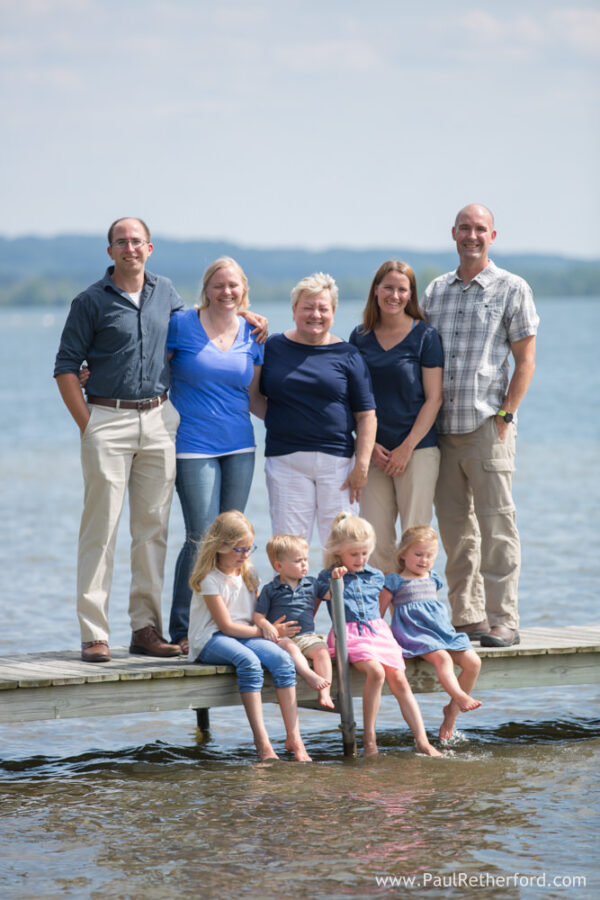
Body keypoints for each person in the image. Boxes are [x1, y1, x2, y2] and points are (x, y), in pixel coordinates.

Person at [54, 217, 184, 662]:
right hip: (107, 419)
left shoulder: (166, 293)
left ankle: (145, 629)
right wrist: (88, 424)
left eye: (136, 241)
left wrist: (245, 314)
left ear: (150, 248)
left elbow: (197, 332)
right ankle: (94, 633)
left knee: (153, 530)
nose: (129, 247)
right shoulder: (89, 300)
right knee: (101, 528)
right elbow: (66, 367)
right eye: (120, 242)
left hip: (159, 418)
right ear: (110, 252)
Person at [422, 204, 538, 649]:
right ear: (454, 233)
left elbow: (526, 360)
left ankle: (503, 619)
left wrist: (507, 414)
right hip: (442, 430)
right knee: (455, 531)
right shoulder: (435, 291)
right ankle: (467, 618)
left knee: (497, 526)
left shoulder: (512, 288)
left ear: (493, 235)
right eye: (465, 228)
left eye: (480, 229)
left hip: (489, 425)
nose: (472, 235)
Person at [167, 257, 265, 654]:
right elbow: (148, 366)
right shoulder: (181, 325)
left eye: (234, 286)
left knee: (233, 543)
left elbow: (256, 397)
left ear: (243, 290)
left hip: (240, 445)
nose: (226, 292)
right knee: (200, 537)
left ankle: (228, 622)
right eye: (218, 285)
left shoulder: (253, 333)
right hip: (192, 445)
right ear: (206, 289)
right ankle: (181, 628)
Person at [260, 273, 377, 544]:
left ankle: (335, 589)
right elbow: (255, 398)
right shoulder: (273, 347)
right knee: (289, 546)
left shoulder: (348, 354)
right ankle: (291, 589)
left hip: (338, 465)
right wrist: (286, 419)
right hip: (285, 462)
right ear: (293, 311)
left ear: (333, 312)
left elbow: (366, 415)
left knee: (341, 545)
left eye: (323, 308)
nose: (316, 314)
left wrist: (361, 465)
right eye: (308, 307)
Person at [314, 512, 442, 757]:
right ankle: (370, 739)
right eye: (354, 554)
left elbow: (391, 609)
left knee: (400, 681)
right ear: (339, 551)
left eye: (365, 553)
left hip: (378, 633)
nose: (360, 559)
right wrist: (335, 583)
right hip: (349, 633)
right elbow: (311, 610)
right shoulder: (327, 577)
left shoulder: (376, 576)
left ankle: (422, 740)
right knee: (376, 671)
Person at [188, 511, 311, 762]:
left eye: (248, 549)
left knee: (283, 661)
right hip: (211, 638)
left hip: (245, 633)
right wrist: (268, 631)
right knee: (250, 662)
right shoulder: (210, 580)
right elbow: (226, 626)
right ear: (220, 546)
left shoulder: (248, 572)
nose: (245, 555)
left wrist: (269, 628)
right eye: (239, 550)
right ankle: (263, 743)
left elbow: (256, 613)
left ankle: (294, 738)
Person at [349, 261, 443, 573]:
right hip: (373, 452)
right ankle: (379, 620)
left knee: (415, 540)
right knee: (374, 541)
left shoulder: (425, 336)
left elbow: (434, 399)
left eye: (402, 289)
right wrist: (369, 446)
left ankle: (415, 613)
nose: (394, 295)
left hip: (417, 451)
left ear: (411, 295)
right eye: (388, 287)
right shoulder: (359, 337)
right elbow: (351, 399)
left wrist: (407, 448)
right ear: (376, 290)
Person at [380, 525, 482, 741]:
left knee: (473, 662)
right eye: (418, 554)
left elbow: (433, 609)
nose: (424, 560)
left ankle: (451, 713)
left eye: (429, 555)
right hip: (414, 634)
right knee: (443, 658)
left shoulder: (433, 578)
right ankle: (460, 696)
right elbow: (378, 615)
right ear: (403, 554)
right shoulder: (394, 582)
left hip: (440, 632)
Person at [254, 534, 334, 708]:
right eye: (298, 561)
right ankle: (307, 674)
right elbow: (258, 615)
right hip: (282, 638)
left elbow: (331, 594)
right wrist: (267, 626)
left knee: (321, 651)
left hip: (306, 635)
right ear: (279, 566)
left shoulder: (312, 584)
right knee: (291, 648)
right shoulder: (271, 589)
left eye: (305, 559)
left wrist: (337, 578)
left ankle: (325, 693)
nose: (305, 564)